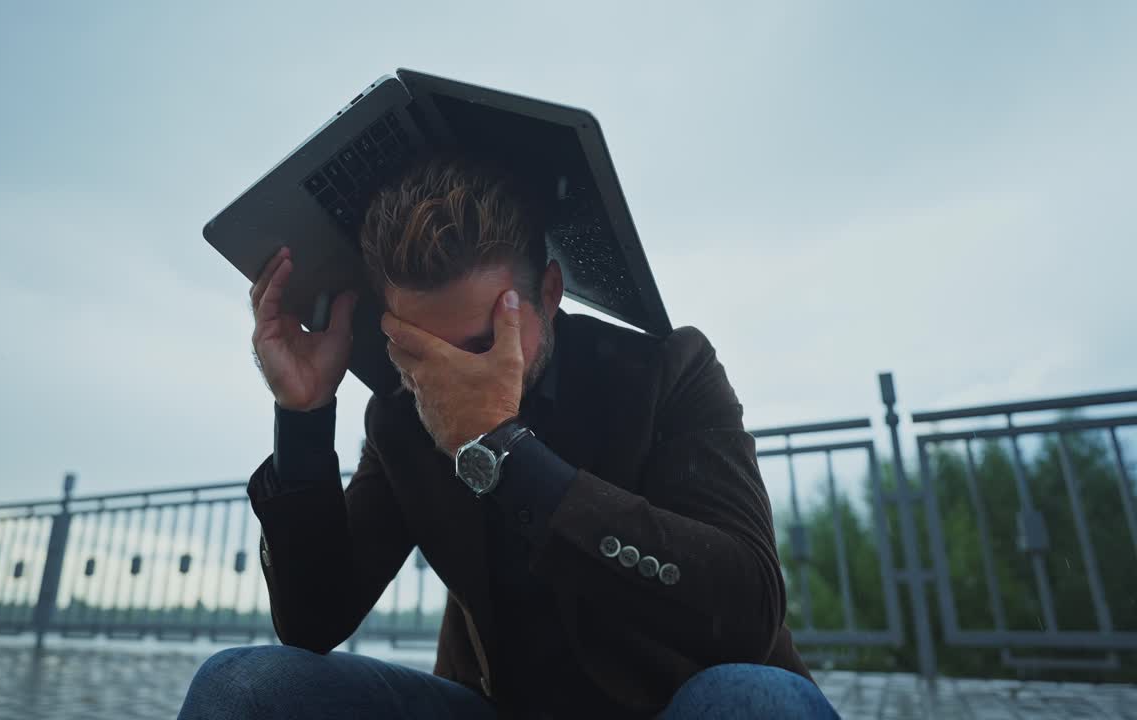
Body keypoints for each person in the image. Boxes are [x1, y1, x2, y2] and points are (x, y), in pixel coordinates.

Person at [179, 155, 837, 719]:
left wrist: (501, 448)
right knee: (242, 688)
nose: (447, 374)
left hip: (675, 703)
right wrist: (304, 414)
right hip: (502, 708)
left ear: (549, 292)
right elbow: (315, 620)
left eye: (477, 342)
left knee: (760, 701)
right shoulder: (405, 412)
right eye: (419, 347)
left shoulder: (667, 373)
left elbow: (748, 609)